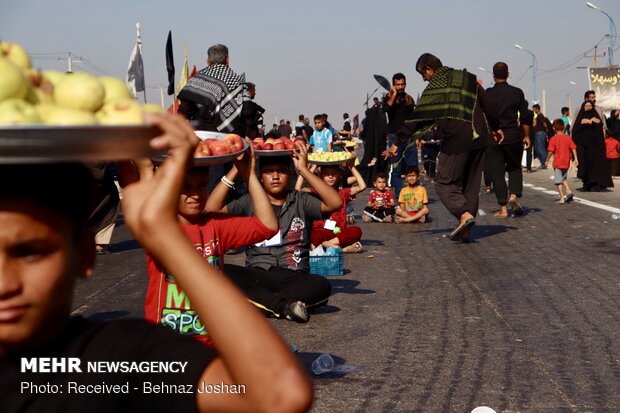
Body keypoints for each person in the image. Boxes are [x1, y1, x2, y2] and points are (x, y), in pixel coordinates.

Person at [0, 113, 312, 412]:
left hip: (196, 348)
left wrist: (164, 233)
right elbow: (138, 172)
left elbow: (279, 393)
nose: (5, 283)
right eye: (183, 187)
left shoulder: (122, 360)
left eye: (30, 252)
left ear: (85, 253)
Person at [142, 142, 279, 347]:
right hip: (164, 344)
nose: (195, 194)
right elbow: (142, 170)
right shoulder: (159, 224)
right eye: (185, 187)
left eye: (201, 185)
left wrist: (248, 174)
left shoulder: (215, 225)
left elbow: (268, 226)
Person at [205, 143, 342, 323]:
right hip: (258, 273)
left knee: (321, 286)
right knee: (218, 270)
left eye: (281, 171)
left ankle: (261, 301)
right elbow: (211, 209)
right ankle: (284, 306)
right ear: (260, 176)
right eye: (269, 171)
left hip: (294, 274)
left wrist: (304, 170)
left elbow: (335, 203)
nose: (275, 177)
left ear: (290, 175)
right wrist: (236, 170)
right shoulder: (249, 201)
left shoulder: (301, 200)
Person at [386, 53, 502, 241]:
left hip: (456, 139)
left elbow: (417, 118)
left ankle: (464, 216)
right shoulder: (468, 78)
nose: (423, 79)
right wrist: (496, 127)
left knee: (443, 183)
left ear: (429, 70)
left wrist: (397, 142)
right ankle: (465, 230)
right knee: (471, 185)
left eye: (423, 74)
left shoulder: (435, 87)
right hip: (479, 136)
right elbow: (486, 103)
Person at [485, 62, 532, 218]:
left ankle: (503, 208)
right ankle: (514, 196)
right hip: (513, 136)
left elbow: (483, 116)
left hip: (494, 138)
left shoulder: (488, 94)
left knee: (497, 172)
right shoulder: (517, 93)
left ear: (493, 75)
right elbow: (525, 116)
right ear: (508, 74)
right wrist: (526, 136)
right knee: (514, 167)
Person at [295, 162, 367, 253]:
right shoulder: (314, 192)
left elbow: (362, 186)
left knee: (356, 231)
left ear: (339, 175)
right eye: (327, 174)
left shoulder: (342, 193)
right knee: (309, 233)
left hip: (337, 233)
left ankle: (325, 246)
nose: (330, 177)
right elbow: (298, 189)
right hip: (320, 232)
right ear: (321, 176)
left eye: (333, 174)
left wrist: (351, 167)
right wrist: (313, 166)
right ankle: (340, 248)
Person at [178, 44, 245, 134]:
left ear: (208, 61)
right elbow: (244, 110)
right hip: (229, 138)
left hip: (201, 136)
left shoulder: (196, 80)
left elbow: (184, 110)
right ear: (227, 59)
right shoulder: (237, 81)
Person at [383, 73, 416, 199]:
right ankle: (399, 198)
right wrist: (394, 94)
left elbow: (414, 119)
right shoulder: (388, 98)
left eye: (402, 84)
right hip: (394, 137)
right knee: (396, 168)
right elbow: (385, 109)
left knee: (412, 167)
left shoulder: (409, 99)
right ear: (394, 85)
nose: (400, 87)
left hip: (408, 136)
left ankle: (413, 197)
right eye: (398, 85)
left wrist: (417, 137)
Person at [572, 100, 613, 191]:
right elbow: (575, 131)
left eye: (590, 106)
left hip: (595, 147)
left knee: (595, 165)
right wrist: (585, 122)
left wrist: (593, 122)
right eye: (586, 106)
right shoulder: (580, 118)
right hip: (583, 147)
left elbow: (600, 127)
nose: (588, 108)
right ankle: (586, 184)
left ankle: (597, 184)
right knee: (585, 165)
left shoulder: (596, 117)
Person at [544, 119, 578, 204]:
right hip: (566, 162)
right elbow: (573, 148)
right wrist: (576, 159)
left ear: (554, 128)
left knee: (558, 181)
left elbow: (550, 151)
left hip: (558, 162)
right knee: (563, 178)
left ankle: (562, 198)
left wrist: (547, 160)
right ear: (563, 128)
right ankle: (569, 191)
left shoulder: (553, 139)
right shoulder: (567, 138)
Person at [532, 104, 550, 170]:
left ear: (537, 109)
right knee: (537, 149)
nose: (533, 110)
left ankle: (544, 164)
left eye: (534, 109)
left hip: (540, 134)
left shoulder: (540, 116)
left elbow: (545, 125)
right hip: (537, 134)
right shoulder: (538, 116)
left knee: (541, 149)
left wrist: (546, 132)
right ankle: (542, 163)